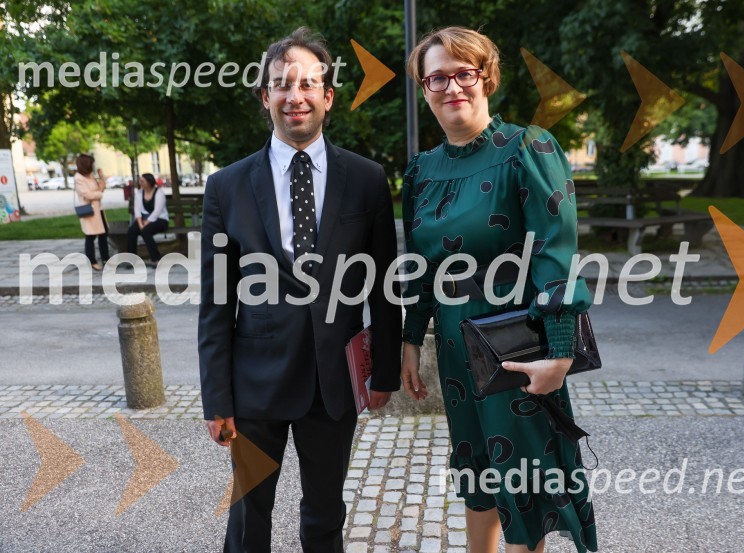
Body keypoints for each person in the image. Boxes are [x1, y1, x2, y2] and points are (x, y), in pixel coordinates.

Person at [198, 27, 401, 553]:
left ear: (329, 97)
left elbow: (383, 286)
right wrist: (216, 398)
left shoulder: (367, 179)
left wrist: (381, 371)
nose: (296, 96)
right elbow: (216, 302)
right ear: (265, 96)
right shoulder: (227, 186)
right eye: (282, 84)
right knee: (247, 520)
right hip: (253, 387)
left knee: (325, 516)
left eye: (309, 84)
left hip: (332, 383)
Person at [401, 27, 597, 553]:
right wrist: (409, 339)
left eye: (464, 73)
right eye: (437, 77)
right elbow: (419, 266)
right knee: (478, 469)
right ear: (423, 88)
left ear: (486, 78)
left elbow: (555, 255)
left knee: (523, 474)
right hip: (453, 341)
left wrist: (559, 353)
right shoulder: (420, 171)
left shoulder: (527, 147)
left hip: (515, 338)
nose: (451, 87)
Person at [74, 153, 109, 271]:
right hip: (89, 211)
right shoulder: (78, 177)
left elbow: (101, 188)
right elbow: (87, 195)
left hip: (99, 210)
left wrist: (101, 177)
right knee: (90, 236)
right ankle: (92, 261)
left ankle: (106, 259)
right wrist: (99, 195)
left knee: (103, 235)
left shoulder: (90, 176)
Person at [127, 173, 168, 267]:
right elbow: (137, 210)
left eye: (142, 181)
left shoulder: (159, 192)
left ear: (149, 182)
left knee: (145, 231)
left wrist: (145, 224)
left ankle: (156, 259)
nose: (140, 183)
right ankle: (132, 260)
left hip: (160, 219)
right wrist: (140, 224)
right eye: (140, 181)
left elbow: (157, 211)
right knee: (132, 231)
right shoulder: (139, 193)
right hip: (143, 219)